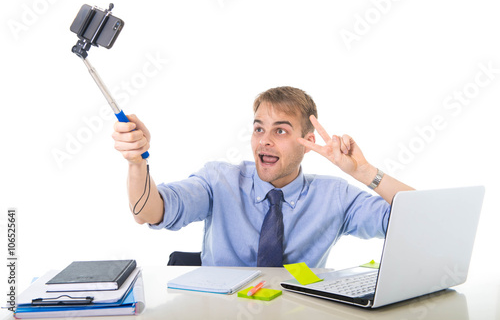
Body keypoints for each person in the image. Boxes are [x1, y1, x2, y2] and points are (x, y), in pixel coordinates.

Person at [112, 86, 414, 267]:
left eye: (280, 130)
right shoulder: (220, 181)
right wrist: (136, 163)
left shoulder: (334, 196)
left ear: (308, 141)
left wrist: (366, 173)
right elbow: (150, 213)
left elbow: (420, 220)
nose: (264, 141)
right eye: (259, 129)